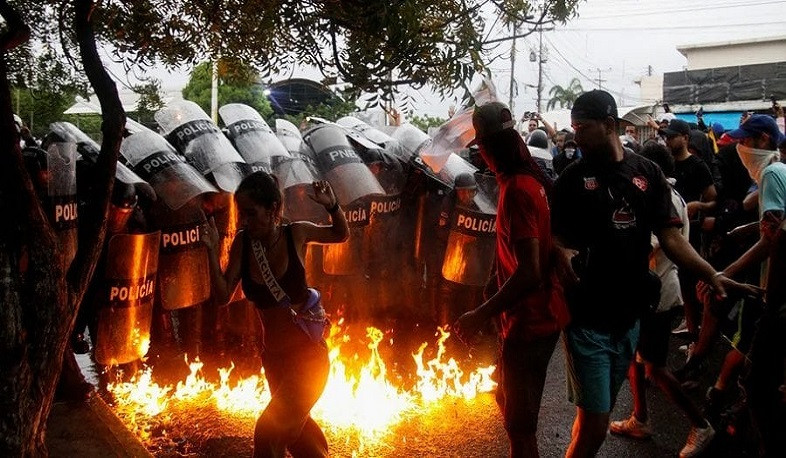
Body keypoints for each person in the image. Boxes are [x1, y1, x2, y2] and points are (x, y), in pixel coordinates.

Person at [551, 90, 752, 457]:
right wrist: (562, 252)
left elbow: (671, 238)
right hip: (587, 317)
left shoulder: (646, 173)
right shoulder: (571, 179)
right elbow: (553, 236)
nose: (575, 135)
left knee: (593, 415)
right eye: (573, 126)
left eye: (582, 127)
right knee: (596, 428)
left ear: (609, 125)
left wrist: (711, 274)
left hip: (630, 317)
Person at [204, 172, 349, 458]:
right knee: (299, 439)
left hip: (308, 359)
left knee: (268, 431)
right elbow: (222, 296)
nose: (244, 221)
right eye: (242, 214)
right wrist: (210, 251)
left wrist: (332, 206)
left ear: (273, 209)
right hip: (275, 361)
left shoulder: (296, 233)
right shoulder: (244, 244)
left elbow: (339, 234)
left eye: (251, 213)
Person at [454, 101, 570, 457]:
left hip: (531, 320)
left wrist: (480, 314)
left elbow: (530, 270)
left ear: (488, 149)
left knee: (520, 426)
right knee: (505, 398)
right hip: (532, 316)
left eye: (481, 149)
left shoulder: (519, 189)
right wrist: (494, 280)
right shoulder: (529, 179)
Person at [609, 142, 716, 458]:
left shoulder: (662, 197)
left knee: (654, 368)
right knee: (634, 355)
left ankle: (701, 425)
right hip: (650, 290)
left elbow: (648, 245)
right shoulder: (670, 194)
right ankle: (640, 418)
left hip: (657, 294)